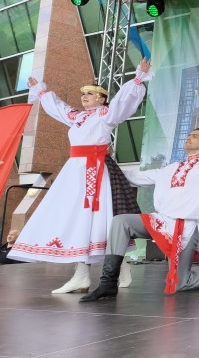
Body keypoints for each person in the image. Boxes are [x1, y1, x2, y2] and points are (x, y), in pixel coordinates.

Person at [9, 59, 153, 293]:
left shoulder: (106, 115)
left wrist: (136, 80)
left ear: (102, 99)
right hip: (74, 171)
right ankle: (85, 273)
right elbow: (58, 107)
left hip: (95, 172)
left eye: (90, 93)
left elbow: (122, 105)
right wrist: (42, 92)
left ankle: (114, 266)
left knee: (96, 220)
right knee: (77, 219)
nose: (84, 96)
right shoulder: (77, 117)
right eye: (83, 93)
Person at [80, 129, 199, 301]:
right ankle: (108, 283)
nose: (188, 138)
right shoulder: (169, 169)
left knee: (181, 283)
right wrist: (105, 163)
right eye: (188, 135)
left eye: (194, 136)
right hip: (162, 221)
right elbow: (134, 176)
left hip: (187, 227)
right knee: (121, 221)